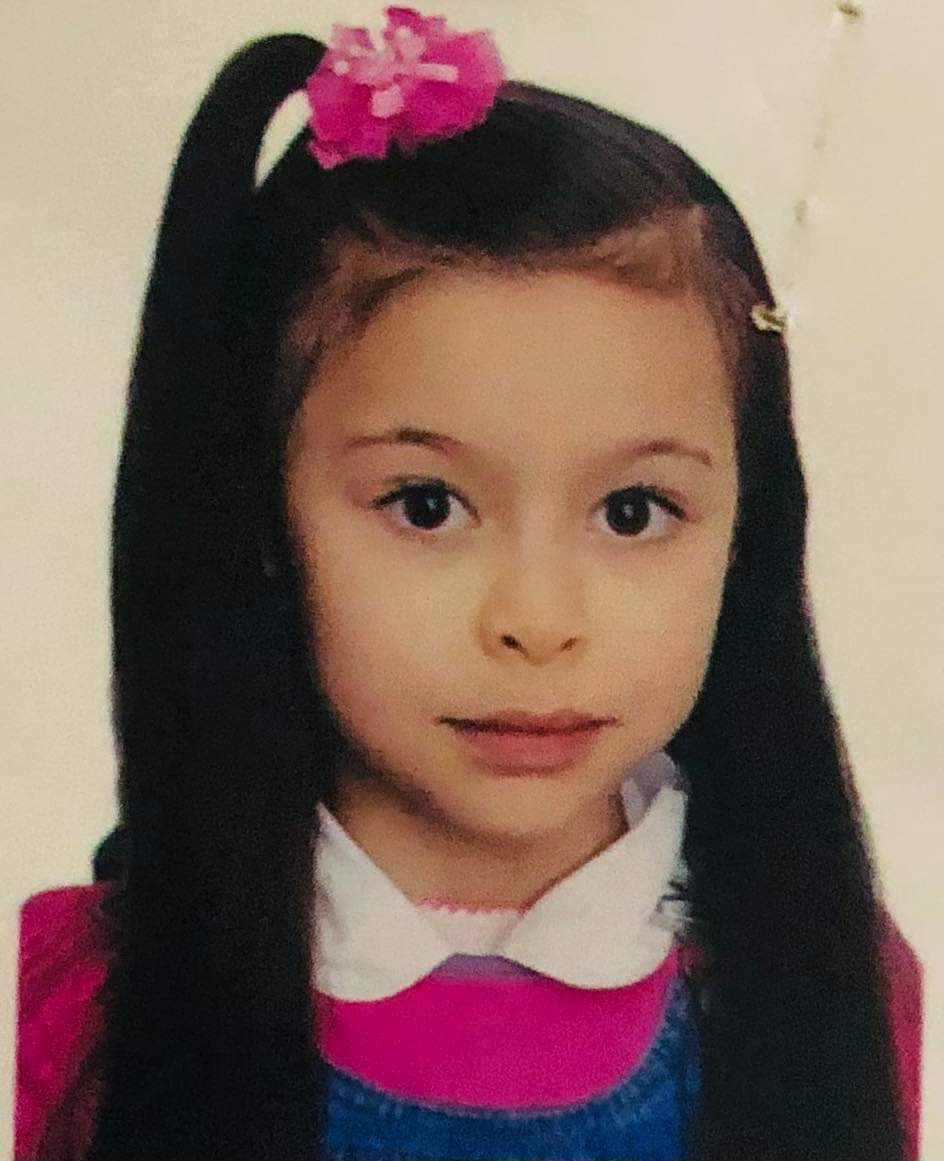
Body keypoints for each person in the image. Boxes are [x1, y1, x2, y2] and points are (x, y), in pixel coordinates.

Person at [13, 7, 923, 1160]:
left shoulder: (831, 983)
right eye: (426, 505)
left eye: (631, 512)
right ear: (259, 513)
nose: (536, 622)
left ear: (745, 528)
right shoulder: (69, 1004)